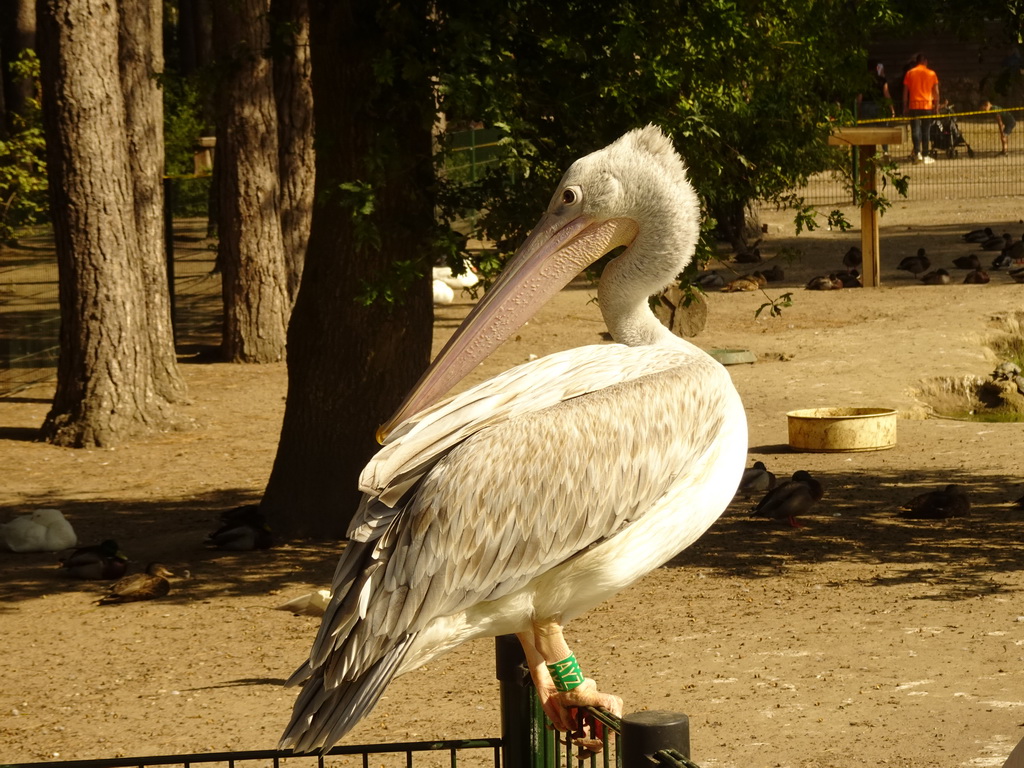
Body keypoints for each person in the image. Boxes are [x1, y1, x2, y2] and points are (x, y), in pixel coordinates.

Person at [902, 53, 940, 164]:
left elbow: (905, 92)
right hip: (927, 105)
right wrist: (936, 106)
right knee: (926, 130)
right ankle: (925, 154)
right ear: (925, 62)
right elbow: (936, 92)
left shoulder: (909, 73)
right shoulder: (932, 74)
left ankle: (917, 153)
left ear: (916, 62)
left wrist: (905, 106)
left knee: (915, 129)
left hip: (913, 105)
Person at [857, 60, 896, 154]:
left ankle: (868, 153)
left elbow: (860, 96)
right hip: (879, 106)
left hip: (866, 106)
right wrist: (892, 108)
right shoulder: (882, 80)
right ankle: (885, 151)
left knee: (867, 130)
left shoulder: (863, 81)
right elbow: (886, 94)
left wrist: (858, 109)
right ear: (876, 68)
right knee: (883, 129)